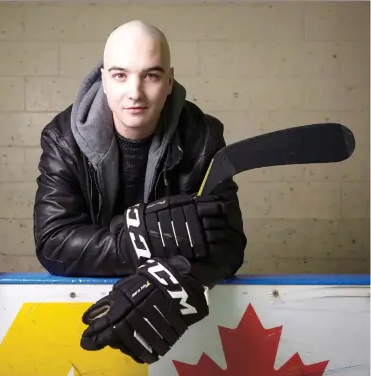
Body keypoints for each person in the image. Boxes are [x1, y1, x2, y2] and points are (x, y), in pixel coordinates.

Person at [33, 20, 247, 365]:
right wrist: (139, 239)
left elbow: (230, 245)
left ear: (169, 81)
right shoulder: (62, 138)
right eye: (120, 75)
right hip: (89, 318)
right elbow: (54, 244)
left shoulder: (203, 136)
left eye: (151, 76)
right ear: (103, 78)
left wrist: (172, 283)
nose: (135, 92)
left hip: (182, 333)